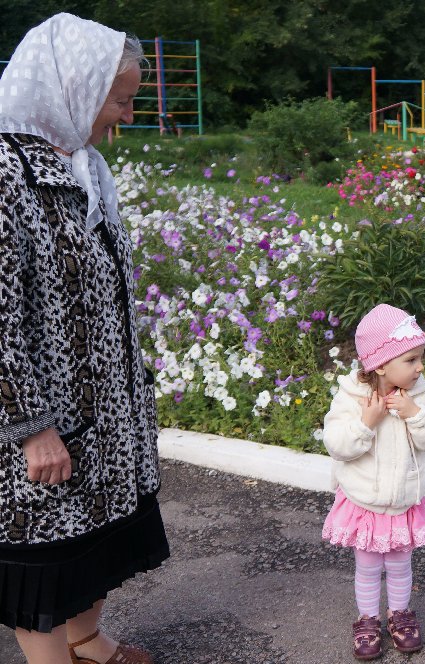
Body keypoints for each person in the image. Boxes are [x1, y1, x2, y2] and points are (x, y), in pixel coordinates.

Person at [0, 13, 169, 664]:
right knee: (42, 563)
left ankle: (88, 642)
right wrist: (30, 427)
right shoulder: (7, 172)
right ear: (74, 88)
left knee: (95, 545)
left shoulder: (81, 165)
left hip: (101, 417)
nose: (126, 115)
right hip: (42, 425)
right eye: (119, 99)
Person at [321, 303, 425, 660]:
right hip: (365, 503)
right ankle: (368, 619)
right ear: (380, 365)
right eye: (411, 359)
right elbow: (337, 444)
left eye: (420, 358)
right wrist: (366, 423)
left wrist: (415, 415)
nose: (420, 367)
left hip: (404, 501)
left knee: (399, 565)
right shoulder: (352, 398)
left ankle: (400, 613)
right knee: (368, 567)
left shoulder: (417, 396)